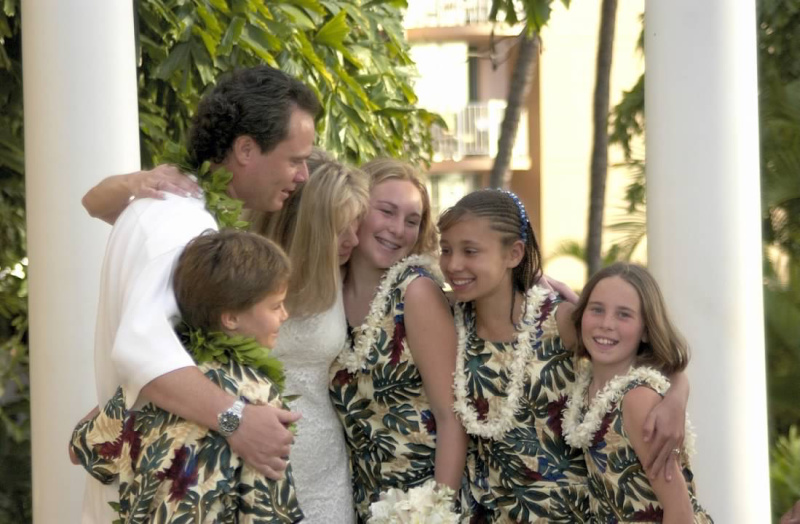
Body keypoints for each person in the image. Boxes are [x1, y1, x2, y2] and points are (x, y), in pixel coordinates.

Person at [78, 65, 319, 522]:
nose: (303, 175)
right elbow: (140, 347)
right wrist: (238, 419)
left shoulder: (168, 207)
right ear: (246, 149)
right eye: (294, 159)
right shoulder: (183, 224)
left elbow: (94, 204)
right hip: (164, 496)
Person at [437, 189, 690, 522]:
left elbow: (648, 353)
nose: (454, 264)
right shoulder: (448, 322)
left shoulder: (559, 321)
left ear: (514, 254)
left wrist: (676, 398)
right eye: (445, 250)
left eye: (470, 251)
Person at [71, 230, 303, 522]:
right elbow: (267, 508)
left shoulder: (157, 380)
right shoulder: (256, 394)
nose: (285, 314)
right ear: (231, 318)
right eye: (275, 305)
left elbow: (80, 449)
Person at [328, 158, 469, 521]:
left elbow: (450, 417)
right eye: (386, 212)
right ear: (355, 207)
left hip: (420, 500)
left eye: (412, 220)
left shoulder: (416, 292)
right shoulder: (328, 289)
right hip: (359, 500)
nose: (398, 230)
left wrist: (436, 511)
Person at [252, 150, 369, 523]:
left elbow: (429, 278)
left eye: (356, 223)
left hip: (325, 470)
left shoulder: (348, 272)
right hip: (252, 456)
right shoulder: (241, 272)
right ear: (308, 229)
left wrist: (528, 282)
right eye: (340, 229)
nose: (354, 239)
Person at [563, 263, 712, 522]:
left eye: (624, 315)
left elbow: (680, 511)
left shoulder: (637, 399)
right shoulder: (586, 387)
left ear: (645, 330)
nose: (607, 324)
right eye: (597, 309)